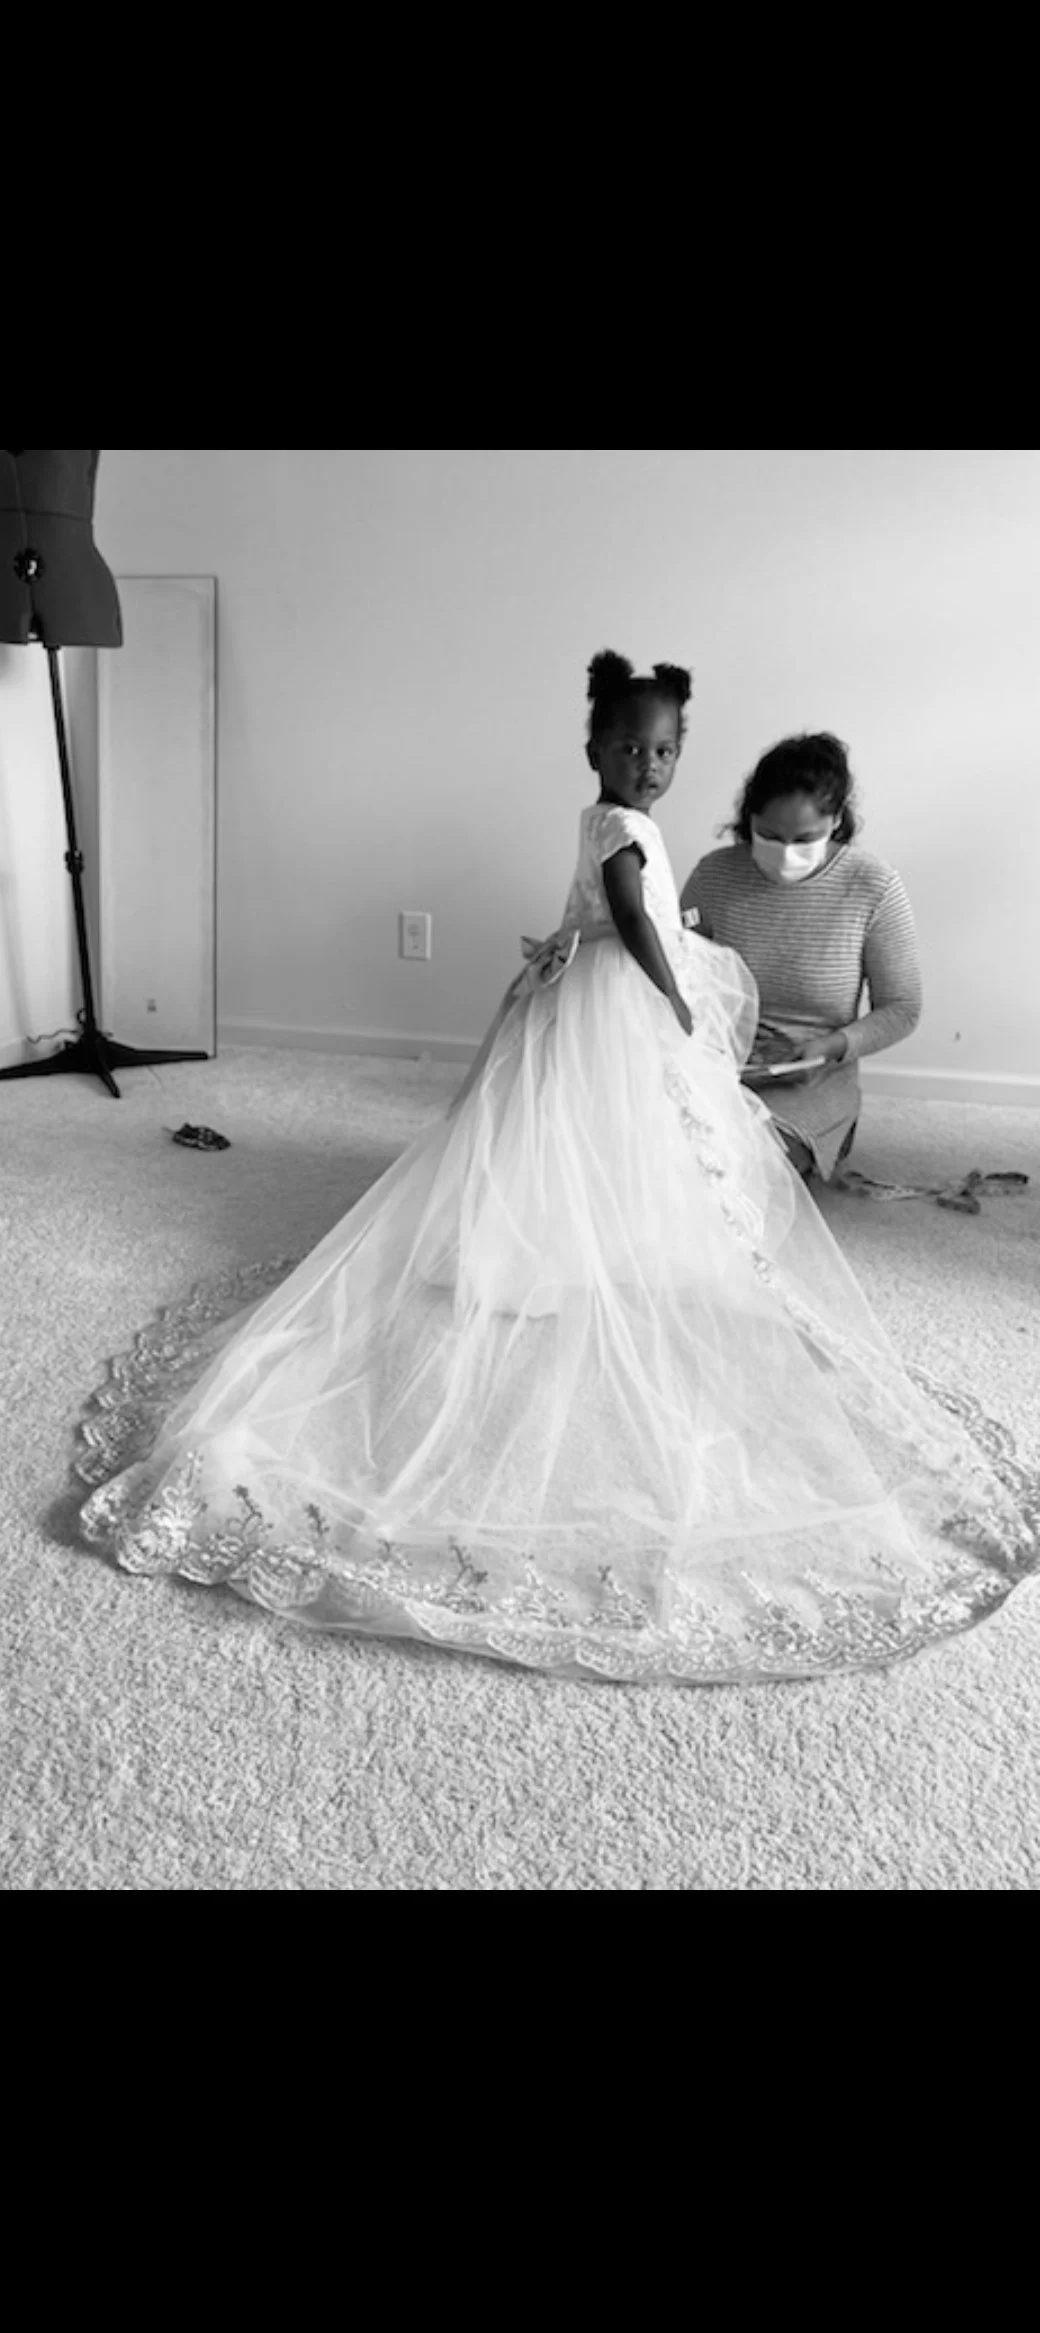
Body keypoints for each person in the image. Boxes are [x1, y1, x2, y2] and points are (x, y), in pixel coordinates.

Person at [76, 653, 1038, 1684]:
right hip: (631, 1006)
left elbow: (881, 1003)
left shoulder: (855, 883)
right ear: (598, 751)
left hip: (787, 1062)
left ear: (839, 823)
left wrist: (771, 1039)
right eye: (631, 747)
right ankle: (579, 1242)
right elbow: (633, 918)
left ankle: (634, 1219)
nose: (650, 764)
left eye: (665, 749)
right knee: (601, 1124)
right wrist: (678, 1005)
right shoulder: (647, 838)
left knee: (649, 1141)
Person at [680, 735, 921, 1179]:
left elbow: (902, 1008)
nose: (786, 852)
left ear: (836, 822)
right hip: (721, 1062)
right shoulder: (715, 876)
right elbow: (678, 971)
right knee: (652, 1150)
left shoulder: (873, 886)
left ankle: (825, 1139)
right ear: (748, 819)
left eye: (804, 838)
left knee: (741, 1171)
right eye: (770, 836)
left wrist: (830, 1049)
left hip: (815, 1075)